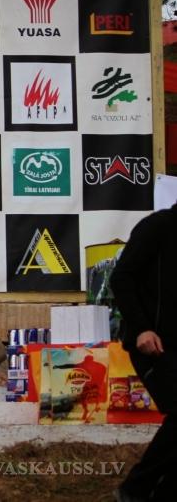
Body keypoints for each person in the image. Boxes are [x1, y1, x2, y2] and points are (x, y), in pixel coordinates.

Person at [110, 203, 177, 501]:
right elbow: (121, 278)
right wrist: (141, 328)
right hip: (154, 345)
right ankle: (134, 490)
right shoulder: (157, 226)